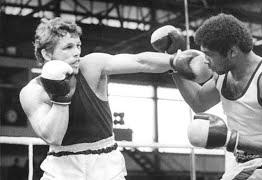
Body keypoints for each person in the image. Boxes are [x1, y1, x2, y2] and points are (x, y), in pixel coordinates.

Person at [19, 17, 176, 180]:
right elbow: (53, 137)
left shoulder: (91, 66)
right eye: (68, 47)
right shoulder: (32, 92)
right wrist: (61, 96)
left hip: (106, 163)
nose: (76, 52)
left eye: (78, 45)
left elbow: (140, 61)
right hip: (61, 167)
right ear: (46, 53)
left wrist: (175, 61)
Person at [162, 13, 262, 180]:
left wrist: (230, 138)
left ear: (232, 51)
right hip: (238, 161)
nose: (205, 61)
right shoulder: (223, 75)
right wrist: (174, 64)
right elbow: (198, 102)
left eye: (209, 54)